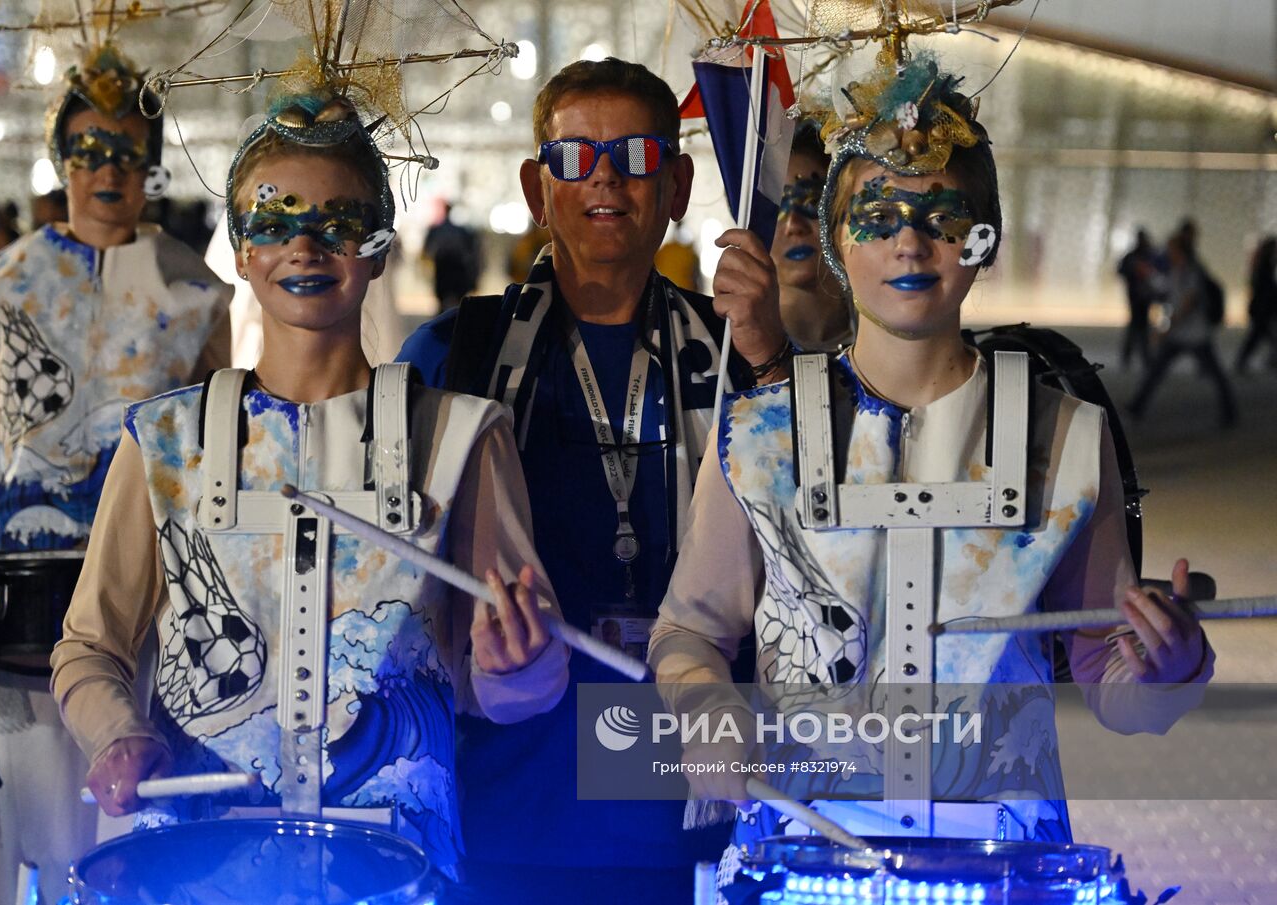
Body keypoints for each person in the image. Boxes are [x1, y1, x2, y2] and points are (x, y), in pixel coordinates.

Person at [648, 52, 1214, 890]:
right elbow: (689, 630)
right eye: (875, 215)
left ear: (982, 236)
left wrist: (1170, 670)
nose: (909, 241)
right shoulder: (759, 433)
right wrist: (705, 708)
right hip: (804, 858)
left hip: (1004, 866)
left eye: (941, 215)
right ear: (838, 241)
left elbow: (1108, 676)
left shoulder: (1065, 436)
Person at [50, 77, 568, 882]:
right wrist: (117, 732)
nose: (306, 245)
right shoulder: (162, 442)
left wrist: (521, 667)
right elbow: (89, 646)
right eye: (275, 220)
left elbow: (500, 686)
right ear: (243, 247)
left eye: (340, 222)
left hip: (398, 869)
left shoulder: (461, 437)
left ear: (380, 246)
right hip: (200, 863)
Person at [397, 57, 789, 905]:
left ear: (678, 185)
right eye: (575, 157)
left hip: (686, 805)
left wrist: (771, 362)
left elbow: (809, 547)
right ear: (540, 191)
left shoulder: (735, 362)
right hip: (510, 794)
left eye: (637, 154)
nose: (605, 175)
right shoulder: (453, 358)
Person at [0, 42, 231, 905]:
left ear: (150, 167)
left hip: (147, 593)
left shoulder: (198, 293)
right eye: (88, 148)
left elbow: (217, 432)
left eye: (125, 150)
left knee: (134, 803)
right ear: (59, 159)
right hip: (19, 591)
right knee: (23, 807)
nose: (107, 167)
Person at [1127, 235, 1238, 427]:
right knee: (1156, 371)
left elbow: (1187, 304)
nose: (1168, 253)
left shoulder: (1191, 272)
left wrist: (1166, 327)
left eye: (1171, 249)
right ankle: (1136, 407)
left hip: (1195, 335)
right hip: (1180, 335)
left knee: (1216, 374)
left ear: (1180, 251)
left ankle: (1230, 413)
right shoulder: (1176, 271)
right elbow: (1166, 294)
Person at [771, 117, 852, 349]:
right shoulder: (728, 351)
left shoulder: (889, 337)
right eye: (775, 210)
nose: (794, 225)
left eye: (813, 202)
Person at [423, 200, 481, 311]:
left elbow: (428, 248)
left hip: (445, 264)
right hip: (453, 264)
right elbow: (470, 250)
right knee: (454, 296)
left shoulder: (437, 229)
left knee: (444, 295)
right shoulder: (460, 230)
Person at [1116, 228, 1159, 367]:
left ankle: (1131, 357)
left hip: (1139, 296)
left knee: (1137, 326)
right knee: (1139, 326)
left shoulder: (1134, 256)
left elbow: (1121, 271)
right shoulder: (1144, 256)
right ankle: (1140, 357)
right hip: (1139, 296)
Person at [1234, 235, 1276, 372]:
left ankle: (1243, 361)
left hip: (1261, 308)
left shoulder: (1260, 265)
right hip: (1262, 309)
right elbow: (1266, 288)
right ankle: (1241, 362)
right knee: (1258, 337)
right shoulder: (1265, 266)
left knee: (1259, 337)